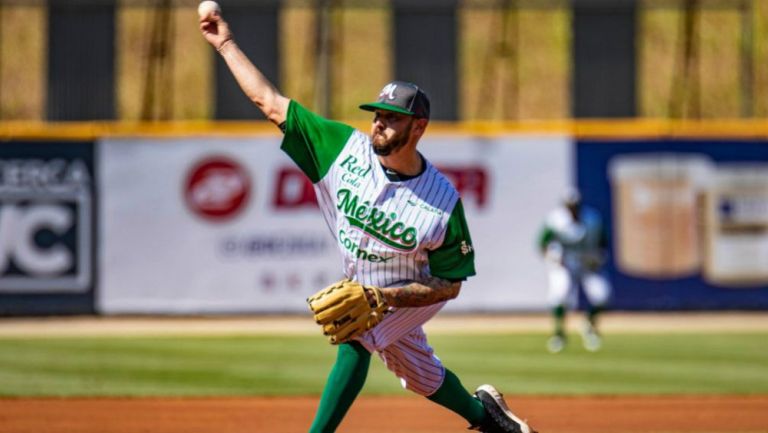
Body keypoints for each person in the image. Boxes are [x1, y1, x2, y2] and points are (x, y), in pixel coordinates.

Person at [199, 7, 536, 433]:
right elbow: (269, 103)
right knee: (420, 375)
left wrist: (384, 298)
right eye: (377, 114)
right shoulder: (343, 150)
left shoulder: (441, 203)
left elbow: (450, 284)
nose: (379, 123)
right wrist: (225, 44)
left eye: (391, 117)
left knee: (355, 330)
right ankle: (485, 416)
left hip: (410, 293)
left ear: (418, 127)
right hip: (364, 285)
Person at [537, 189, 611, 353]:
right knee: (560, 295)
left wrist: (599, 257)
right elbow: (542, 242)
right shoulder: (556, 220)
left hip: (587, 263)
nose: (572, 209)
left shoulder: (592, 219)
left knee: (602, 295)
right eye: (569, 206)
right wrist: (551, 257)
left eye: (574, 206)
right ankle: (559, 334)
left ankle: (589, 324)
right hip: (565, 264)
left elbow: (604, 242)